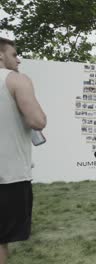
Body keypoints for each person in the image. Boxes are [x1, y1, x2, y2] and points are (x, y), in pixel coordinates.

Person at [0, 37, 47, 264]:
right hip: (7, 176)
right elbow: (38, 121)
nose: (18, 60)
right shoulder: (16, 80)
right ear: (0, 55)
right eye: (14, 54)